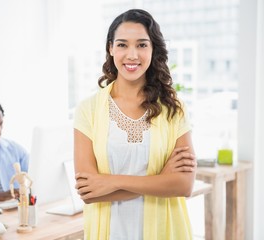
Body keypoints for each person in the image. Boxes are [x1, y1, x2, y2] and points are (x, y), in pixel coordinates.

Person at [74, 9, 197, 240]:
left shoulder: (174, 107)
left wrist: (110, 182)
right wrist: (160, 179)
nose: (132, 55)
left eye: (141, 45)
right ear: (111, 48)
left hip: (165, 231)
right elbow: (89, 192)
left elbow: (183, 185)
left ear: (153, 49)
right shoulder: (88, 109)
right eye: (122, 45)